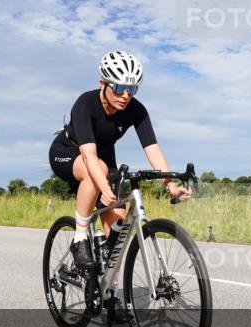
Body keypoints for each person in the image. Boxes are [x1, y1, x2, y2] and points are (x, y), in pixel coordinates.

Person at [48, 50, 191, 271]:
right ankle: (79, 238)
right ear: (103, 83)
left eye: (132, 89)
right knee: (98, 171)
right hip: (69, 152)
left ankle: (107, 279)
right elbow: (89, 156)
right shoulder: (85, 103)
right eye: (120, 87)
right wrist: (104, 187)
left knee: (119, 227)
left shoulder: (136, 110)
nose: (126, 95)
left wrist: (170, 184)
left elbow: (152, 149)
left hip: (104, 158)